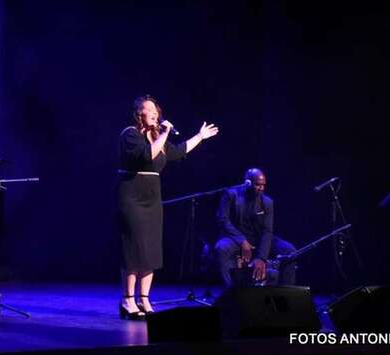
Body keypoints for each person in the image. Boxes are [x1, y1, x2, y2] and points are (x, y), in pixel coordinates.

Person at [117, 95, 219, 319]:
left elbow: (179, 151)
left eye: (156, 110)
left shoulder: (157, 137)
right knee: (134, 249)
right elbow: (147, 156)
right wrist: (164, 134)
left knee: (150, 250)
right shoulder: (130, 134)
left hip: (152, 200)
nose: (155, 113)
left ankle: (144, 299)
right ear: (139, 113)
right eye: (150, 109)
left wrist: (200, 137)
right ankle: (127, 300)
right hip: (132, 198)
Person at [214, 168, 297, 287]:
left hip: (258, 239)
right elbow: (222, 219)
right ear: (247, 182)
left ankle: (286, 291)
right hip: (235, 238)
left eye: (263, 185)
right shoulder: (231, 195)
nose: (261, 188)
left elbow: (267, 231)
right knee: (221, 247)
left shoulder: (267, 202)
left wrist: (261, 258)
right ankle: (231, 290)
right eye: (257, 184)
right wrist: (242, 241)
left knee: (289, 250)